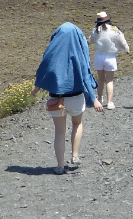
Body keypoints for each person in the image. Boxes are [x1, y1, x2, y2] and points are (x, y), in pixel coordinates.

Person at [31, 22, 104, 175]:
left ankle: (59, 166)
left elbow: (43, 69)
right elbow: (85, 75)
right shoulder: (78, 52)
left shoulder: (51, 52)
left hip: (56, 99)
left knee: (59, 132)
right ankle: (75, 155)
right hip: (75, 96)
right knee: (77, 124)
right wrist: (94, 98)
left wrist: (36, 88)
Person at [90, 11, 129, 110]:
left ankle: (99, 99)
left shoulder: (95, 30)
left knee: (101, 79)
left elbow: (90, 40)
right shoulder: (114, 30)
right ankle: (109, 102)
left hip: (98, 57)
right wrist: (126, 49)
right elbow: (122, 42)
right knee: (109, 80)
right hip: (110, 57)